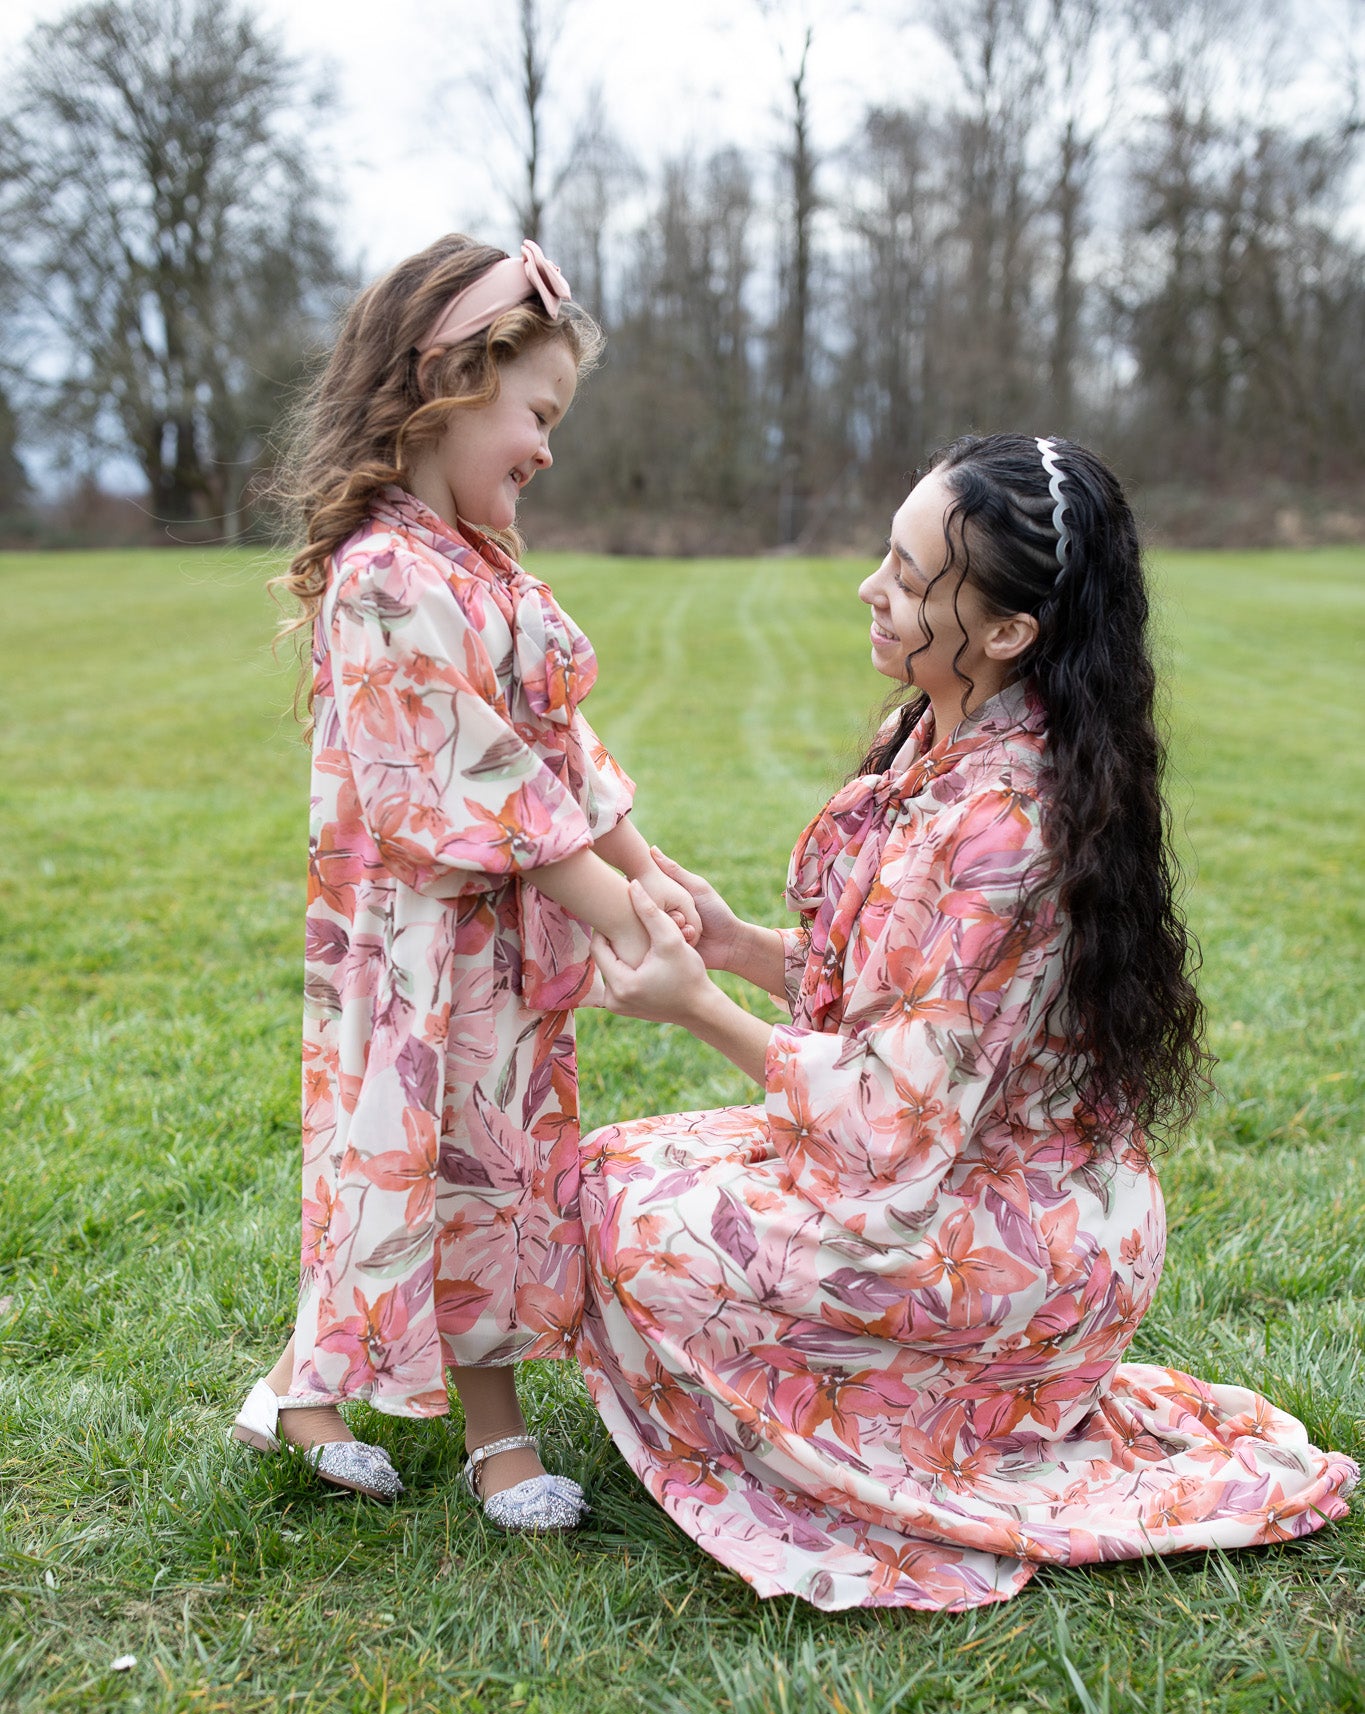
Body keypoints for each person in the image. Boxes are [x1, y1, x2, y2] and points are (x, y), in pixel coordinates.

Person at [579, 433, 1358, 1611]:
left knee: (637, 1222)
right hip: (958, 1166)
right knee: (607, 1170)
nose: (870, 588)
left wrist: (694, 1004)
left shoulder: (1008, 821)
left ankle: (918, 1427)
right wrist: (734, 942)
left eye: (907, 576)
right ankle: (897, 1396)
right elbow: (913, 1007)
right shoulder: (937, 735)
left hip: (1015, 1232)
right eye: (885, 557)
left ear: (1006, 632)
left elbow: (892, 1113)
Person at [230, 234, 697, 1529]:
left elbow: (560, 748)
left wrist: (653, 872)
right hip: (421, 950)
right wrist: (619, 914)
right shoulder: (384, 576)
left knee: (497, 1171)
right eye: (536, 413)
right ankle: (385, 1408)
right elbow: (466, 775)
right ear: (447, 381)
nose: (546, 446)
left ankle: (355, 1398)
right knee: (417, 1166)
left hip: (503, 945)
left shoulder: (485, 564)